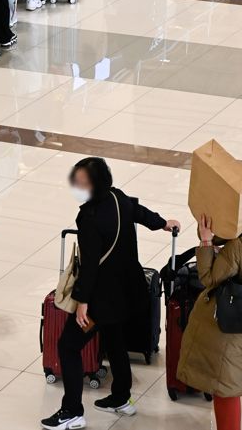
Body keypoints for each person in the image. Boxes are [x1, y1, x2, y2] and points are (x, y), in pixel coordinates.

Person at [41, 156, 179, 429]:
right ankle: (121, 398)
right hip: (128, 293)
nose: (75, 185)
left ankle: (71, 411)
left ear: (94, 185)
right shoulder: (119, 198)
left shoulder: (88, 217)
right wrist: (163, 223)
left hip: (100, 301)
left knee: (68, 346)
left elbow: (90, 264)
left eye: (80, 181)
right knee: (115, 339)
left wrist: (82, 302)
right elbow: (140, 213)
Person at [177, 212, 242, 430]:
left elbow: (208, 277)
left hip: (233, 327)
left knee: (225, 384)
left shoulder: (238, 247)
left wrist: (205, 242)